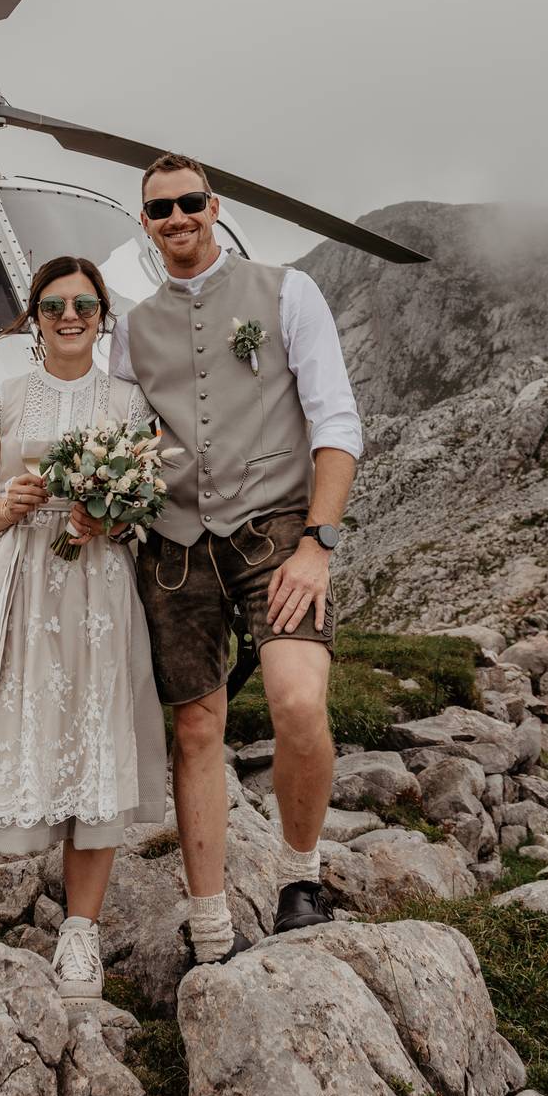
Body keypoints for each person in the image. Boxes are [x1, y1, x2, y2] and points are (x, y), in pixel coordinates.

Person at [107, 154, 362, 964]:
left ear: (212, 207)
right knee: (195, 731)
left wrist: (317, 545)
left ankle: (300, 878)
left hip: (277, 535)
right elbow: (120, 437)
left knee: (294, 701)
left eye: (189, 202)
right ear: (144, 224)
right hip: (175, 548)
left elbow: (336, 423)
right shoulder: (131, 327)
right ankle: (210, 924)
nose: (177, 217)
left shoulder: (287, 291)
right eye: (160, 209)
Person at [0, 255, 167, 999]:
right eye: (53, 305)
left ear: (101, 317)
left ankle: (80, 935)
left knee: (94, 741)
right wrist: (13, 504)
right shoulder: (3, 399)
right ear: (33, 316)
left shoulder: (127, 405)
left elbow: (146, 513)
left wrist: (110, 516)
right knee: (7, 731)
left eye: (83, 306)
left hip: (96, 594)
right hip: (19, 585)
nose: (69, 316)